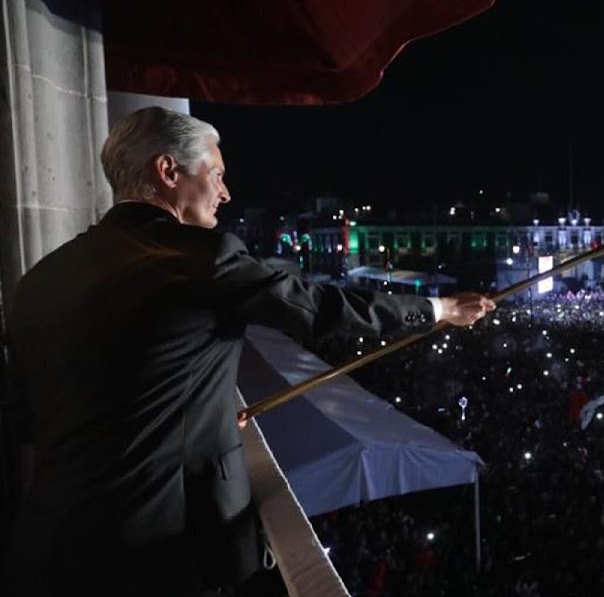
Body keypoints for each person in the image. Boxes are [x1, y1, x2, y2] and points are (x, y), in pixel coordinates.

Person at [0, 106, 495, 596]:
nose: (225, 192)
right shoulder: (199, 258)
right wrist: (440, 308)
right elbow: (318, 307)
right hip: (155, 555)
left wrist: (201, 412)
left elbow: (34, 418)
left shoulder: (39, 282)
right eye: (215, 173)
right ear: (168, 171)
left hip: (46, 549)